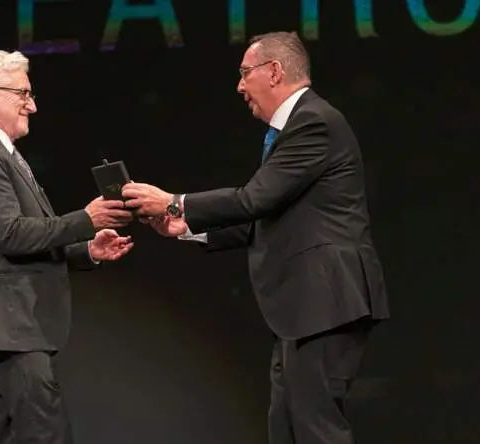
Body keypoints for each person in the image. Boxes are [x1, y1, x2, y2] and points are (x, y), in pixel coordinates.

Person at [121, 31, 390, 444]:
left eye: (245, 73)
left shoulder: (313, 122)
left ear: (275, 71)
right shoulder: (296, 129)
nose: (240, 86)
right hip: (304, 308)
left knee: (316, 429)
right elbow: (265, 215)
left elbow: (254, 199)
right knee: (285, 428)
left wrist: (174, 201)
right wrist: (185, 227)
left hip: (325, 300)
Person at [0, 49, 134, 444]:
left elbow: (19, 238)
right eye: (23, 94)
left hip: (2, 330)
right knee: (46, 434)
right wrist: (87, 219)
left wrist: (87, 250)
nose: (32, 104)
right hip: (10, 328)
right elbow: (12, 234)